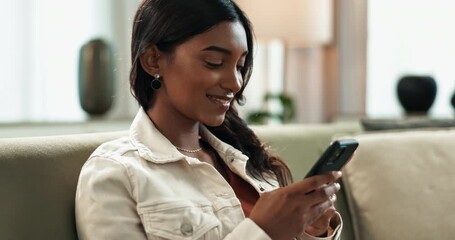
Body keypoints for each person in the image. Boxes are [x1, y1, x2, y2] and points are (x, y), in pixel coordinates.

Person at [75, 0, 343, 239]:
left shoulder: (244, 160)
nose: (236, 83)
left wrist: (310, 230)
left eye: (240, 66)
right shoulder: (116, 173)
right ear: (153, 60)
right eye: (214, 62)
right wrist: (263, 231)